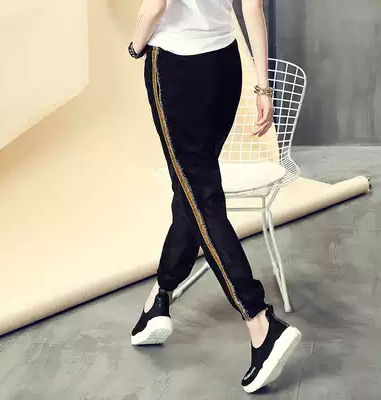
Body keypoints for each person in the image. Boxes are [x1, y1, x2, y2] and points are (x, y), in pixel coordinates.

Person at [127, 0, 301, 393]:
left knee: (200, 196)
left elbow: (155, 7)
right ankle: (159, 298)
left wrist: (136, 46)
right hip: (225, 65)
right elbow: (253, 7)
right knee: (192, 189)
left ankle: (260, 322)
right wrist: (263, 87)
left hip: (176, 68)